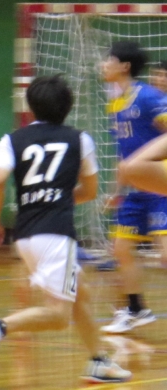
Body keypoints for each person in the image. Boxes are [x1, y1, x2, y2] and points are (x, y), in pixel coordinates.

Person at [0, 75, 131, 384]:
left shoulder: (11, 140)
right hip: (56, 233)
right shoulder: (79, 139)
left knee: (80, 293)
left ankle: (98, 361)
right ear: (67, 107)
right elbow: (90, 190)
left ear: (31, 106)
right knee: (58, 315)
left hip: (25, 235)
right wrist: (60, 197)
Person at [100, 41, 167, 333]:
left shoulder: (149, 97)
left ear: (124, 66)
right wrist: (116, 190)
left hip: (159, 184)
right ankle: (136, 309)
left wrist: (145, 164)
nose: (104, 64)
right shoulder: (115, 104)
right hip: (134, 190)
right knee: (121, 248)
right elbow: (123, 154)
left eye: (109, 60)